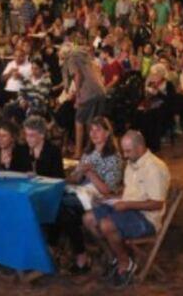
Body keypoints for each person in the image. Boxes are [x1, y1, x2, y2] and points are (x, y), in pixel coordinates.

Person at [83, 130, 170, 287]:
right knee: (88, 219)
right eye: (124, 151)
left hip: (146, 218)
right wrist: (112, 198)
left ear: (140, 147)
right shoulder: (132, 163)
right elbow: (131, 192)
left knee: (106, 225)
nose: (124, 155)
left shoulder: (154, 168)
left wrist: (126, 204)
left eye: (128, 151)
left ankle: (125, 262)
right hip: (129, 209)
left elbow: (157, 204)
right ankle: (114, 256)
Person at [61, 116, 124, 274]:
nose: (93, 133)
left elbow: (108, 191)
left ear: (107, 133)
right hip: (82, 194)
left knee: (63, 207)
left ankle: (78, 254)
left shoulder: (114, 157)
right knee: (64, 211)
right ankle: (80, 254)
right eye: (91, 130)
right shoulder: (88, 153)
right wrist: (73, 175)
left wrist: (90, 173)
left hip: (98, 200)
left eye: (98, 130)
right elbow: (75, 179)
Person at [66, 48, 106, 158]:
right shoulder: (87, 59)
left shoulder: (72, 59)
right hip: (101, 91)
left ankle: (78, 152)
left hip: (88, 92)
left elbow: (77, 75)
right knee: (93, 122)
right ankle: (93, 150)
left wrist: (78, 95)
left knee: (79, 120)